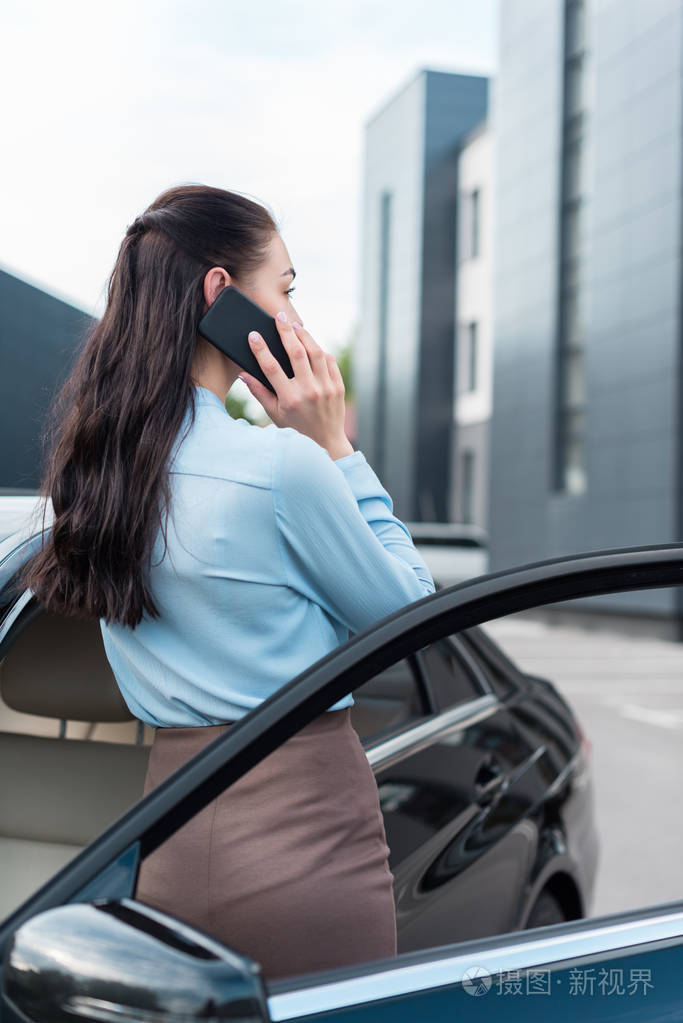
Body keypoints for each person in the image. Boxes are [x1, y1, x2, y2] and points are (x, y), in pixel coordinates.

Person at [18, 183, 436, 981]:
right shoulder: (281, 467)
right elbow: (412, 615)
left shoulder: (93, 478)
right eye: (282, 290)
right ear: (220, 294)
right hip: (305, 834)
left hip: (168, 830)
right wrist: (336, 450)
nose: (294, 320)